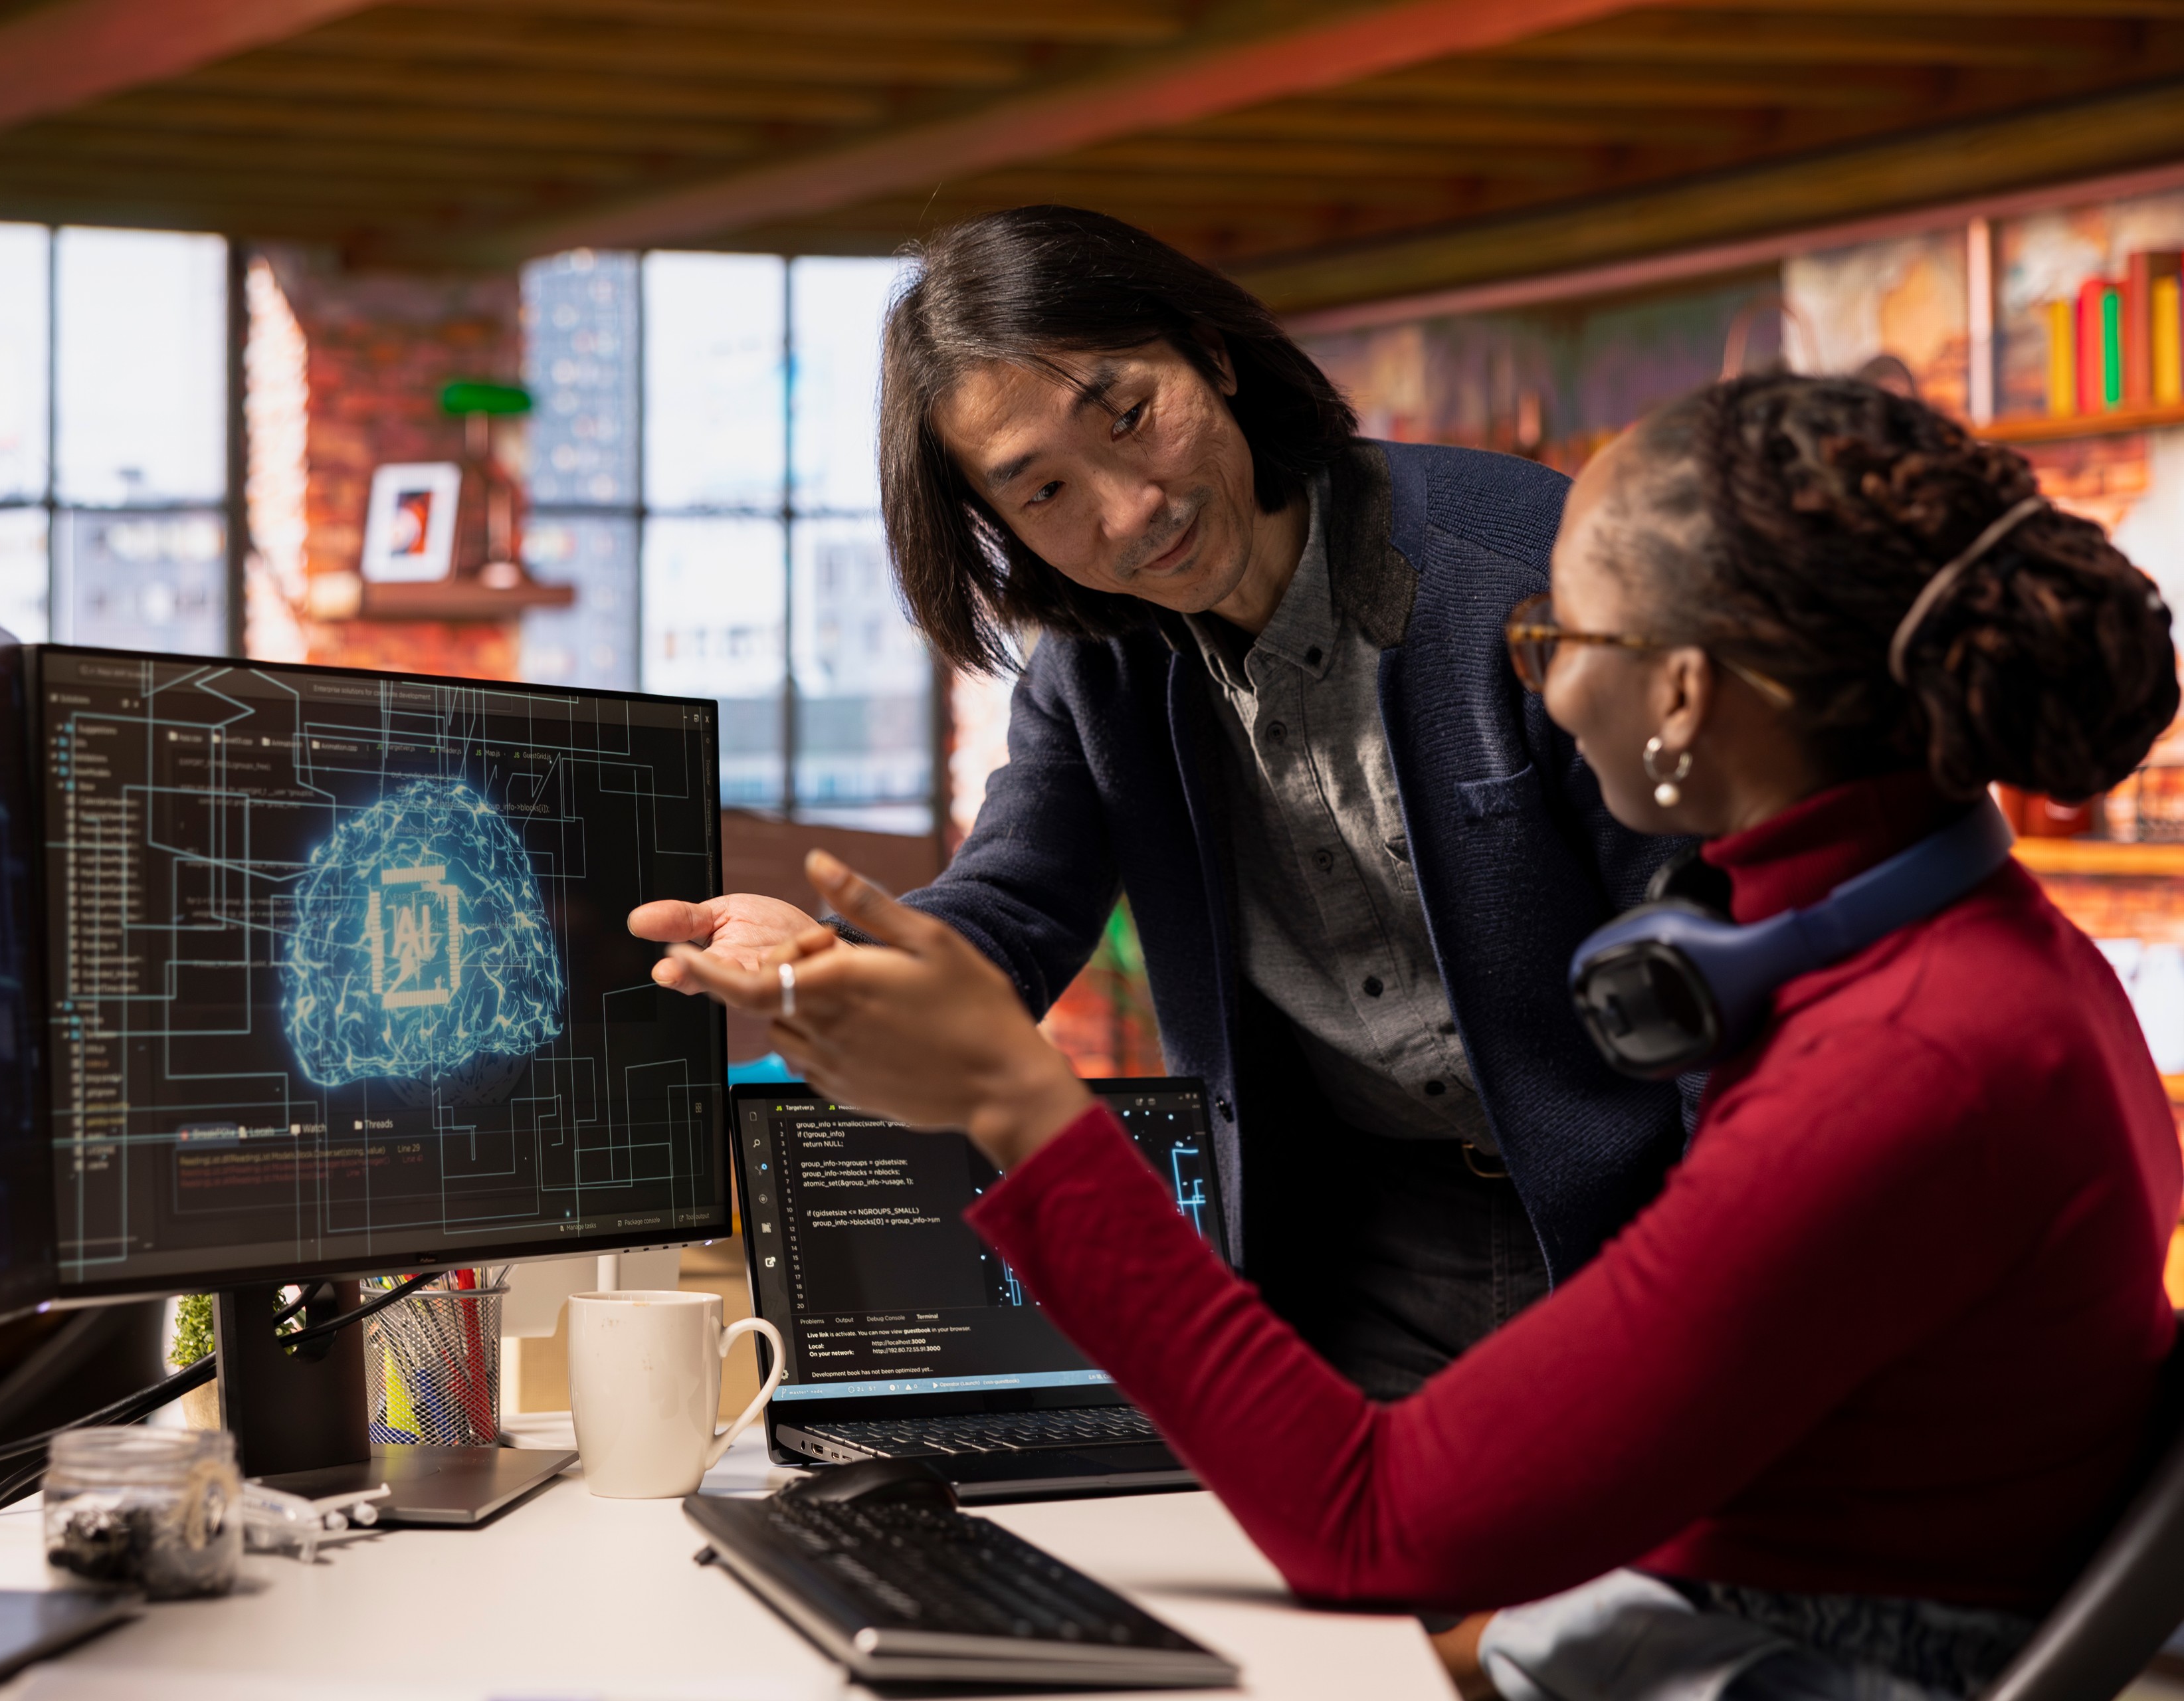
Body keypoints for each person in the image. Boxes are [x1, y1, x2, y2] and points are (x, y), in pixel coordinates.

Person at [667, 373, 2183, 1700]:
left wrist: (1019, 1107)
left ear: (1680, 695)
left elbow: (1370, 1518)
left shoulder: (1901, 1066)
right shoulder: (1958, 954)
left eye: (1554, 633)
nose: (1536, 682)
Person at [634, 206, 1691, 1397]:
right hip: (1362, 1249)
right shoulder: (1097, 670)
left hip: (1643, 1212)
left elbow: (1716, 946)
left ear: (1212, 355)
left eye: (1130, 416)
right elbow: (1011, 908)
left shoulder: (1528, 574)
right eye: (1045, 491)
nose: (1131, 510)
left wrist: (1729, 1285)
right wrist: (833, 961)